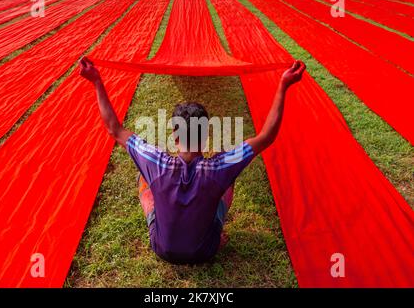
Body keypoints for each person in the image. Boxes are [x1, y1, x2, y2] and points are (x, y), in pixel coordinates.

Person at [79, 57, 306, 264]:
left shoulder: (156, 161)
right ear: (206, 134)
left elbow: (115, 129)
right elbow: (266, 137)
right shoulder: (219, 167)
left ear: (175, 136)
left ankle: (156, 214)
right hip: (207, 251)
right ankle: (212, 230)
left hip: (162, 249)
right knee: (228, 178)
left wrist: (97, 81)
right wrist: (283, 85)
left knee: (143, 175)